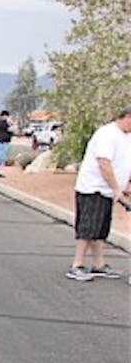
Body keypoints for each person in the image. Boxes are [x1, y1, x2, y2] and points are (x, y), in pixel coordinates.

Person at [66, 107, 131, 281]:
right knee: (88, 228)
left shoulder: (127, 137)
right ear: (127, 117)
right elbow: (104, 163)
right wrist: (117, 188)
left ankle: (98, 265)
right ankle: (76, 265)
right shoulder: (107, 134)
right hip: (93, 188)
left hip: (108, 191)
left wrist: (126, 186)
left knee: (100, 230)